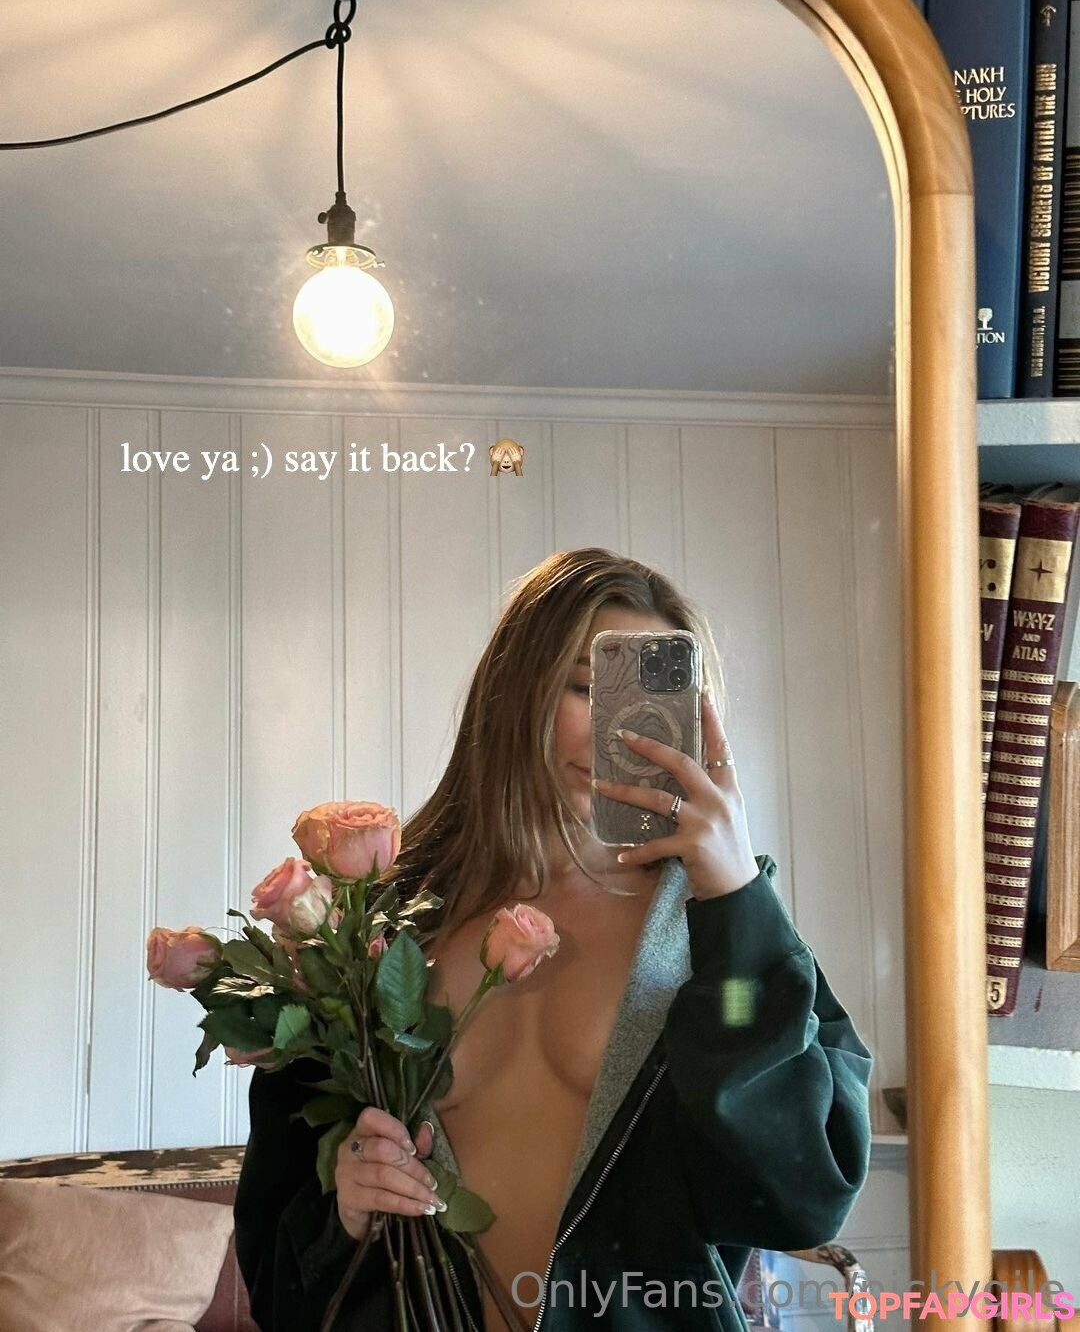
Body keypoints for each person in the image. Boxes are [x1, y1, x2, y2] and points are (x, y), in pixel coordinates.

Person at [233, 547, 874, 1332]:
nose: (624, 732)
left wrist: (735, 897)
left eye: (654, 700)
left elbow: (804, 1195)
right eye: (586, 689)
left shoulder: (721, 936)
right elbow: (277, 1254)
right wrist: (347, 1208)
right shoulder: (383, 924)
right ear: (515, 690)